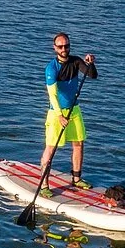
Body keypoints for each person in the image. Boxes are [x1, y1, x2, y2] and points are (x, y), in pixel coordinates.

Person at [37, 31, 98, 186]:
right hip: (56, 111)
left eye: (66, 46)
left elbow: (92, 75)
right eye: (60, 46)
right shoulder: (51, 68)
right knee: (51, 147)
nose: (64, 49)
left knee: (78, 143)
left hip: (74, 109)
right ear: (55, 48)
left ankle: (76, 179)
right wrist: (59, 115)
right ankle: (44, 184)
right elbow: (52, 95)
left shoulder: (76, 61)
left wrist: (91, 63)